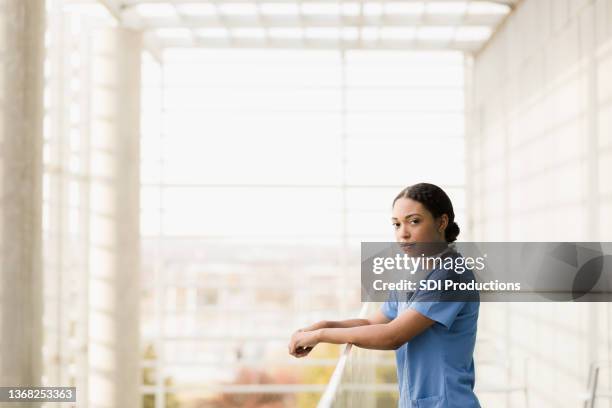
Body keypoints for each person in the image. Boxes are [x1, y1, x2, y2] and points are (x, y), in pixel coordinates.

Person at [288, 183, 481, 408]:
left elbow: (393, 336)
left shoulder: (451, 275)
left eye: (414, 221)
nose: (403, 233)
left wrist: (321, 335)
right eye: (396, 224)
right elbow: (372, 322)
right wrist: (325, 324)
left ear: (442, 222)